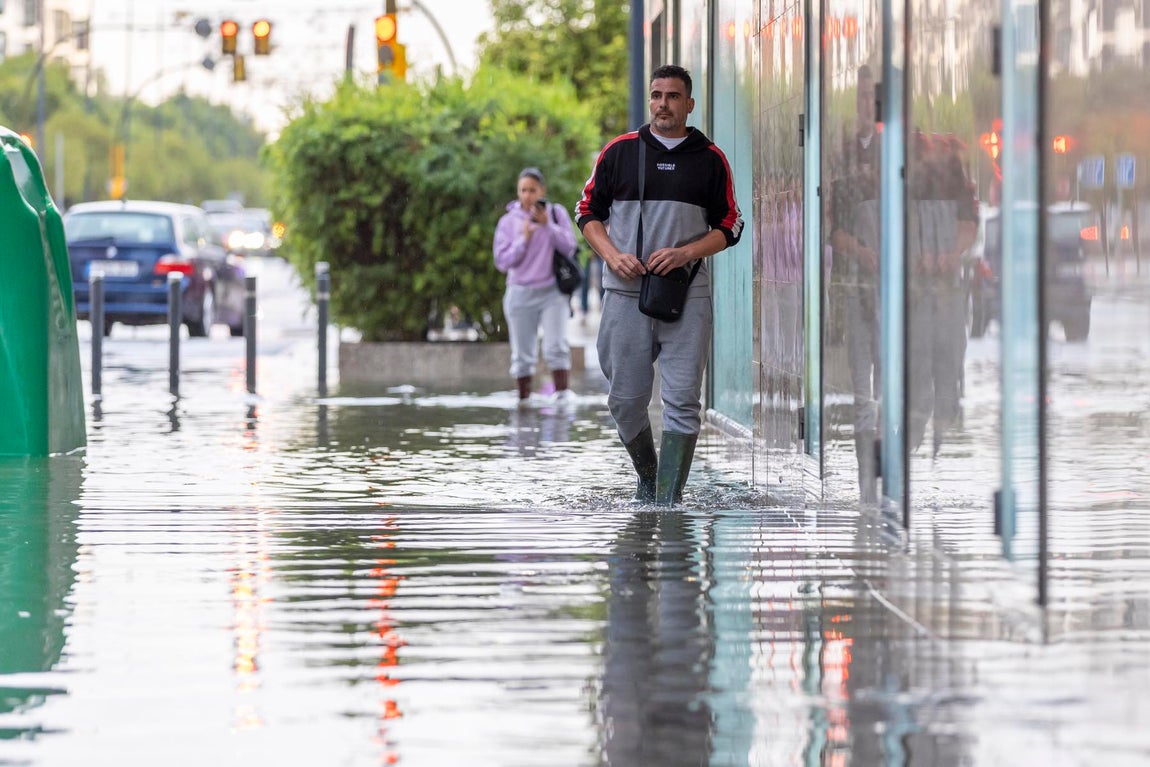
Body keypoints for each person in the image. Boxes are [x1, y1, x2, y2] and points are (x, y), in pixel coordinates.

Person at [575, 64, 743, 505]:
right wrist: (613, 256)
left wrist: (686, 253)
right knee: (625, 401)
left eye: (672, 96)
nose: (662, 104)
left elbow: (731, 224)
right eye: (656, 95)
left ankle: (668, 502)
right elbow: (587, 212)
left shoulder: (711, 158)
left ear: (689, 104)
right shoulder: (618, 152)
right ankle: (648, 478)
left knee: (684, 401)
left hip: (688, 295)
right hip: (625, 294)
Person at [829, 64, 883, 504]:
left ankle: (888, 470)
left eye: (873, 96)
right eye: (862, 96)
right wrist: (860, 251)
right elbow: (833, 224)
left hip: (896, 292)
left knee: (892, 382)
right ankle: (868, 483)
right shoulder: (842, 155)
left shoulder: (902, 150)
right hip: (856, 286)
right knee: (862, 385)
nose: (867, 104)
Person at [493, 167, 578, 402]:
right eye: (523, 190)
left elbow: (570, 247)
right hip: (519, 293)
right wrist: (524, 238)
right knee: (522, 354)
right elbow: (502, 261)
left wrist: (548, 226)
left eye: (532, 190)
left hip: (552, 293)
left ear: (542, 190)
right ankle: (524, 400)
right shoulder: (508, 222)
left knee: (556, 346)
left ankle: (562, 397)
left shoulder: (555, 213)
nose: (528, 195)